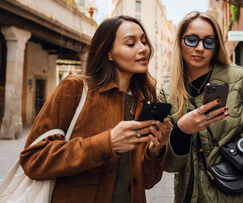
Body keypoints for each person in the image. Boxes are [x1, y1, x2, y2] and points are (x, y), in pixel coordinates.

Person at [20, 15, 172, 203]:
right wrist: (107, 143)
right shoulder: (74, 88)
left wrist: (154, 151)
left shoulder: (143, 101)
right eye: (131, 44)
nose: (143, 49)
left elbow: (146, 182)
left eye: (144, 41)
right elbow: (33, 160)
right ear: (109, 53)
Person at [158, 11, 243, 203]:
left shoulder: (242, 80)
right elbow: (171, 165)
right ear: (180, 41)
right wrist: (182, 130)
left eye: (209, 41)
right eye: (192, 40)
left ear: (216, 46)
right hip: (191, 196)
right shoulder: (167, 94)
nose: (200, 48)